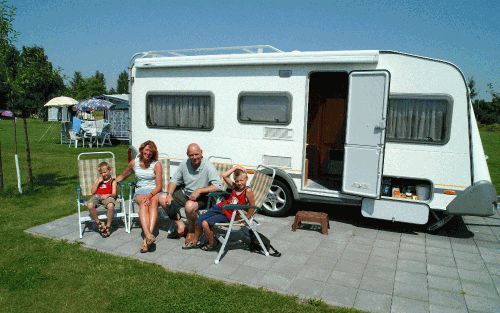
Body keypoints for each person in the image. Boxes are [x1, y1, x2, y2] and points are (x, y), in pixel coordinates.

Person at [160, 143, 221, 248]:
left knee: (189, 206)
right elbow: (174, 180)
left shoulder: (208, 166)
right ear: (187, 155)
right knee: (162, 198)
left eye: (196, 154)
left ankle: (191, 231)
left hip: (204, 197)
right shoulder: (184, 163)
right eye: (191, 155)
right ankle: (181, 226)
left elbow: (218, 186)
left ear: (201, 153)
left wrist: (200, 190)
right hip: (186, 193)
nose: (194, 157)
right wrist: (169, 194)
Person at [192, 165, 255, 251]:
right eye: (237, 181)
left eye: (241, 180)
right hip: (219, 207)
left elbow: (252, 206)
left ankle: (212, 243)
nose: (239, 183)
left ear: (246, 179)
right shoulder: (234, 187)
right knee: (199, 220)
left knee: (205, 223)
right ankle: (195, 241)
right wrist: (235, 168)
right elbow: (224, 176)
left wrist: (247, 217)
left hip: (228, 214)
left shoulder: (247, 191)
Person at [116, 140, 162, 253]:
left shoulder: (156, 164)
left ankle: (147, 240)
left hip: (154, 190)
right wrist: (112, 182)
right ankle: (148, 235)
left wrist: (150, 195)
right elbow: (123, 175)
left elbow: (159, 186)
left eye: (151, 151)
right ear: (141, 150)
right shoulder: (134, 163)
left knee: (153, 203)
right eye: (146, 150)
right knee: (143, 203)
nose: (148, 153)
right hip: (140, 191)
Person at [87, 161, 117, 238]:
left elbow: (114, 194)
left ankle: (108, 226)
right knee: (90, 205)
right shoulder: (99, 180)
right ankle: (99, 224)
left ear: (109, 170)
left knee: (110, 206)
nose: (103, 174)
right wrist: (98, 182)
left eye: (105, 172)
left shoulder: (113, 181)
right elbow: (92, 192)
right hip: (97, 196)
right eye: (101, 173)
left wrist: (108, 195)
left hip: (108, 196)